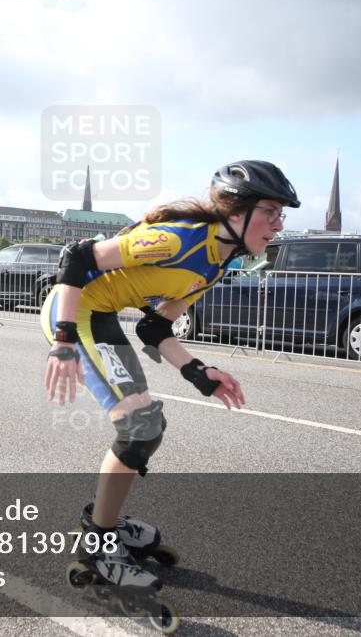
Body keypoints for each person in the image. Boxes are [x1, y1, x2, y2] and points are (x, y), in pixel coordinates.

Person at [41, 160, 300, 590]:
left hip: (103, 314)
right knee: (138, 427)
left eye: (281, 215)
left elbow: (155, 326)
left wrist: (200, 373)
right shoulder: (176, 239)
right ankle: (100, 542)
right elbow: (78, 258)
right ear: (236, 211)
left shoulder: (218, 263)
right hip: (76, 312)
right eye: (270, 212)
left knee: (148, 426)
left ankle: (103, 519)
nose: (278, 225)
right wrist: (64, 341)